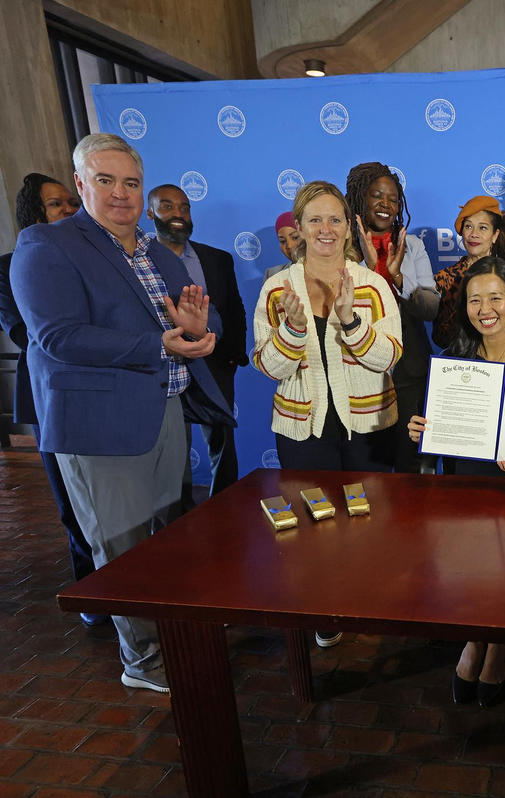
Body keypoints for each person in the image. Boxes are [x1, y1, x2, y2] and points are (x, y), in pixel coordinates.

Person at [11, 133, 233, 693]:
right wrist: (160, 342)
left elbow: (202, 318)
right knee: (123, 547)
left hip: (164, 412)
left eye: (130, 182)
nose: (120, 194)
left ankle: (179, 640)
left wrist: (201, 331)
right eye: (104, 181)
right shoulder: (46, 244)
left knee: (171, 537)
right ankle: (145, 661)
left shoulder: (156, 251)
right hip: (98, 428)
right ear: (81, 183)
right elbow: (57, 336)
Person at [253, 181, 403, 648]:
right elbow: (267, 365)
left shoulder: (373, 285)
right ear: (297, 228)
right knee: (314, 519)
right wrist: (294, 330)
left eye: (334, 219)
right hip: (304, 428)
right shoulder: (277, 289)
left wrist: (353, 322)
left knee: (368, 516)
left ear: (347, 227)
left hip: (368, 425)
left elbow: (390, 357)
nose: (325, 229)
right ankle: (324, 604)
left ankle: (367, 595)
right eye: (314, 219)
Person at [408, 257, 505, 708]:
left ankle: (501, 641)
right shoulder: (454, 362)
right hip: (468, 486)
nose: (484, 308)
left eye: (495, 298)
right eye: (475, 300)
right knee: (468, 561)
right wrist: (423, 430)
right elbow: (445, 440)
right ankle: (475, 638)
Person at [0, 172, 99, 625]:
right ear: (34, 213)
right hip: (51, 398)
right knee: (71, 500)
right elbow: (26, 333)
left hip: (104, 390)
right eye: (57, 204)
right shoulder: (9, 267)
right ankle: (91, 595)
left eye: (71, 203)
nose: (68, 211)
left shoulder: (93, 257)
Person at [147, 184, 248, 495]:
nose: (178, 214)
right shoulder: (139, 260)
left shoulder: (217, 259)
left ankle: (225, 504)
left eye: (184, 207)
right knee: (175, 449)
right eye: (167, 206)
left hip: (214, 365)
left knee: (223, 443)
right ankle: (179, 514)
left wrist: (233, 356)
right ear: (150, 213)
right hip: (164, 368)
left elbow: (234, 308)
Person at [345, 161, 439, 473]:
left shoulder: (411, 245)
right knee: (366, 465)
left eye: (393, 198)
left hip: (409, 367)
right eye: (377, 196)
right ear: (360, 199)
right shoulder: (343, 248)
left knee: (408, 460)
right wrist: (372, 272)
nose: (386, 205)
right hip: (359, 370)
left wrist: (398, 277)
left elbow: (431, 308)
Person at [431, 195, 505, 349]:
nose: (474, 234)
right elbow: (440, 337)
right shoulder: (445, 278)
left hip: (504, 358)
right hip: (460, 360)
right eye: (468, 226)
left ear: (495, 235)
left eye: (482, 227)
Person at [265, 211, 302, 280]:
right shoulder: (273, 274)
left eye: (295, 237)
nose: (289, 246)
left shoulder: (326, 270)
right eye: (283, 241)